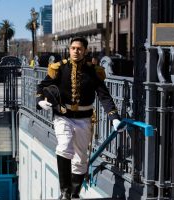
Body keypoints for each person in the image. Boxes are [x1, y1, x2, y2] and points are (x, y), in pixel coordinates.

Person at [35, 36, 124, 199]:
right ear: (69, 49)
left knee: (81, 159)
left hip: (84, 118)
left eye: (79, 49)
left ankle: (74, 193)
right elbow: (42, 86)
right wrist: (40, 100)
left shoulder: (93, 71)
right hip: (63, 116)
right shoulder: (59, 68)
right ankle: (65, 192)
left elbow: (104, 96)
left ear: (85, 51)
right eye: (73, 48)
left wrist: (114, 117)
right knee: (64, 146)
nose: (76, 51)